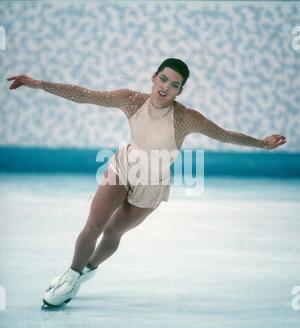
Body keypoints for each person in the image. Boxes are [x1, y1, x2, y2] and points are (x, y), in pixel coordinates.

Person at [7, 58, 287, 307]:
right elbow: (85, 95)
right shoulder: (131, 100)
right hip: (123, 168)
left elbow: (223, 134)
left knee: (114, 231)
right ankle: (70, 275)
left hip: (152, 185)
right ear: (153, 77)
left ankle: (86, 271)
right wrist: (38, 84)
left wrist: (262, 144)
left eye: (174, 84)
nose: (166, 87)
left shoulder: (187, 118)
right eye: (163, 79)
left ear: (180, 91)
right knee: (94, 224)